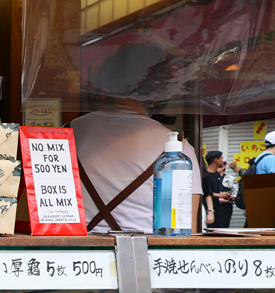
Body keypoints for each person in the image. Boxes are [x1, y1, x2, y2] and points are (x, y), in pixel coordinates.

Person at [71, 43, 202, 233]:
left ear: (104, 84)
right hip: (149, 256)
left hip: (78, 256)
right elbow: (185, 230)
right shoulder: (178, 148)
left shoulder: (66, 133)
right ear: (157, 92)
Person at [202, 151, 233, 227]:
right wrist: (220, 195)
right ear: (216, 160)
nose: (223, 161)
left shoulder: (217, 174)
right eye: (222, 158)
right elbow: (206, 192)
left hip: (218, 208)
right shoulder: (205, 175)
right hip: (208, 208)